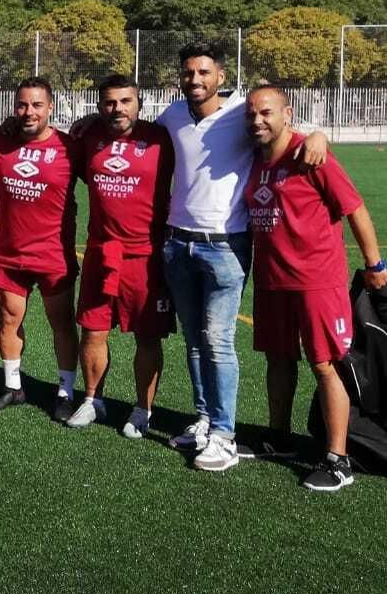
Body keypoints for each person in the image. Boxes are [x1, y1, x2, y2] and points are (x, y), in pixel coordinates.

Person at [157, 42, 328, 470]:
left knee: (218, 341)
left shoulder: (242, 113)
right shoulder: (173, 115)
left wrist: (320, 134)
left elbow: (289, 132)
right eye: (188, 73)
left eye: (203, 73)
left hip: (225, 246)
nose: (194, 80)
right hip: (178, 242)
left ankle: (225, 435)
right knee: (193, 340)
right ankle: (203, 418)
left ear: (220, 77)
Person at [245, 86, 386, 492]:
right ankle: (279, 438)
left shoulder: (311, 154)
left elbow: (354, 207)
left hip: (316, 282)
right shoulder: (255, 157)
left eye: (266, 112)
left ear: (287, 114)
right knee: (278, 358)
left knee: (327, 365)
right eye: (252, 114)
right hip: (272, 280)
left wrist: (375, 264)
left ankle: (337, 459)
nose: (258, 120)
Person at [70, 75, 175, 435]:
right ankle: (92, 399)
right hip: (101, 253)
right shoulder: (88, 138)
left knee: (147, 338)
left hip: (145, 258)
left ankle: (143, 410)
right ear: (100, 106)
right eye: (110, 102)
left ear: (139, 104)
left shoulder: (162, 138)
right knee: (93, 331)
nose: (118, 109)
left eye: (125, 101)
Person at [0, 77, 80, 414]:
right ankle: (13, 386)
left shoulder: (70, 147)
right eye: (22, 105)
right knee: (9, 318)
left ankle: (66, 392)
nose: (28, 112)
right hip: (10, 254)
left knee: (62, 323)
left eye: (37, 105)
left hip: (54, 255)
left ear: (50, 107)